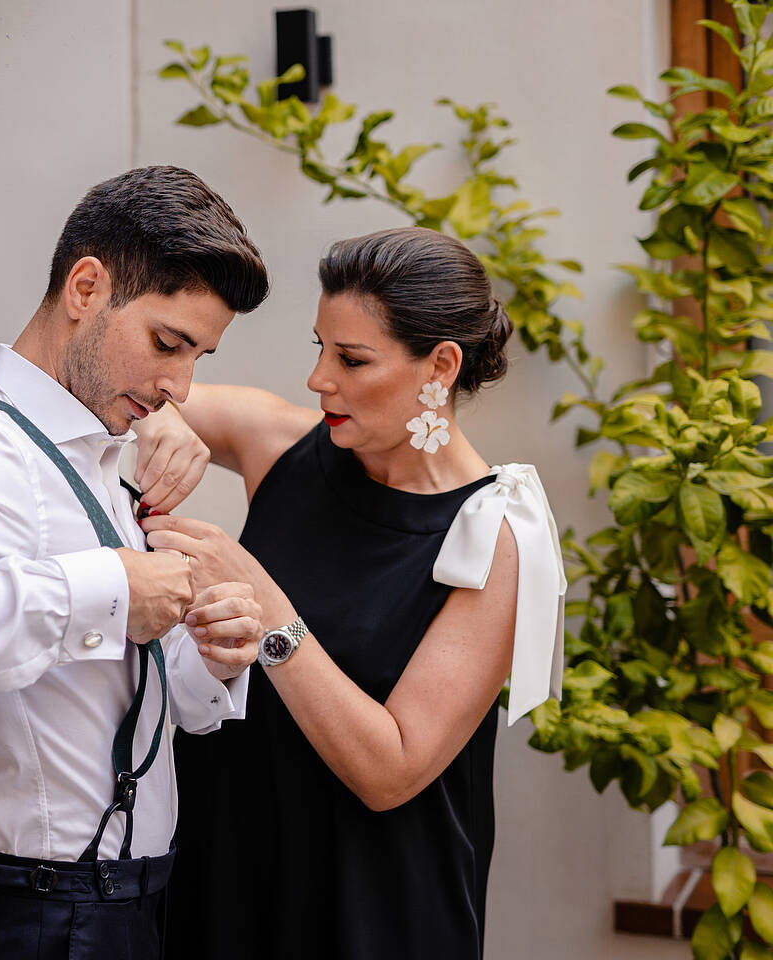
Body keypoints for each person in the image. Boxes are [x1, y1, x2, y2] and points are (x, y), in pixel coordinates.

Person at [0, 165, 274, 960]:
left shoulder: (106, 453)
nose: (180, 386)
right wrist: (107, 588)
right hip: (34, 924)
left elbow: (117, 678)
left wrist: (210, 649)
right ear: (85, 287)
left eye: (198, 356)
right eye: (168, 344)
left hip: (128, 913)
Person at [131, 226, 566, 959]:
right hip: (223, 881)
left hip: (370, 914)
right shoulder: (282, 444)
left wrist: (270, 614)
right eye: (319, 348)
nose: (319, 379)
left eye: (352, 359)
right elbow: (112, 391)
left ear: (441, 366)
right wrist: (164, 417)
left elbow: (390, 770)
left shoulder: (496, 537)